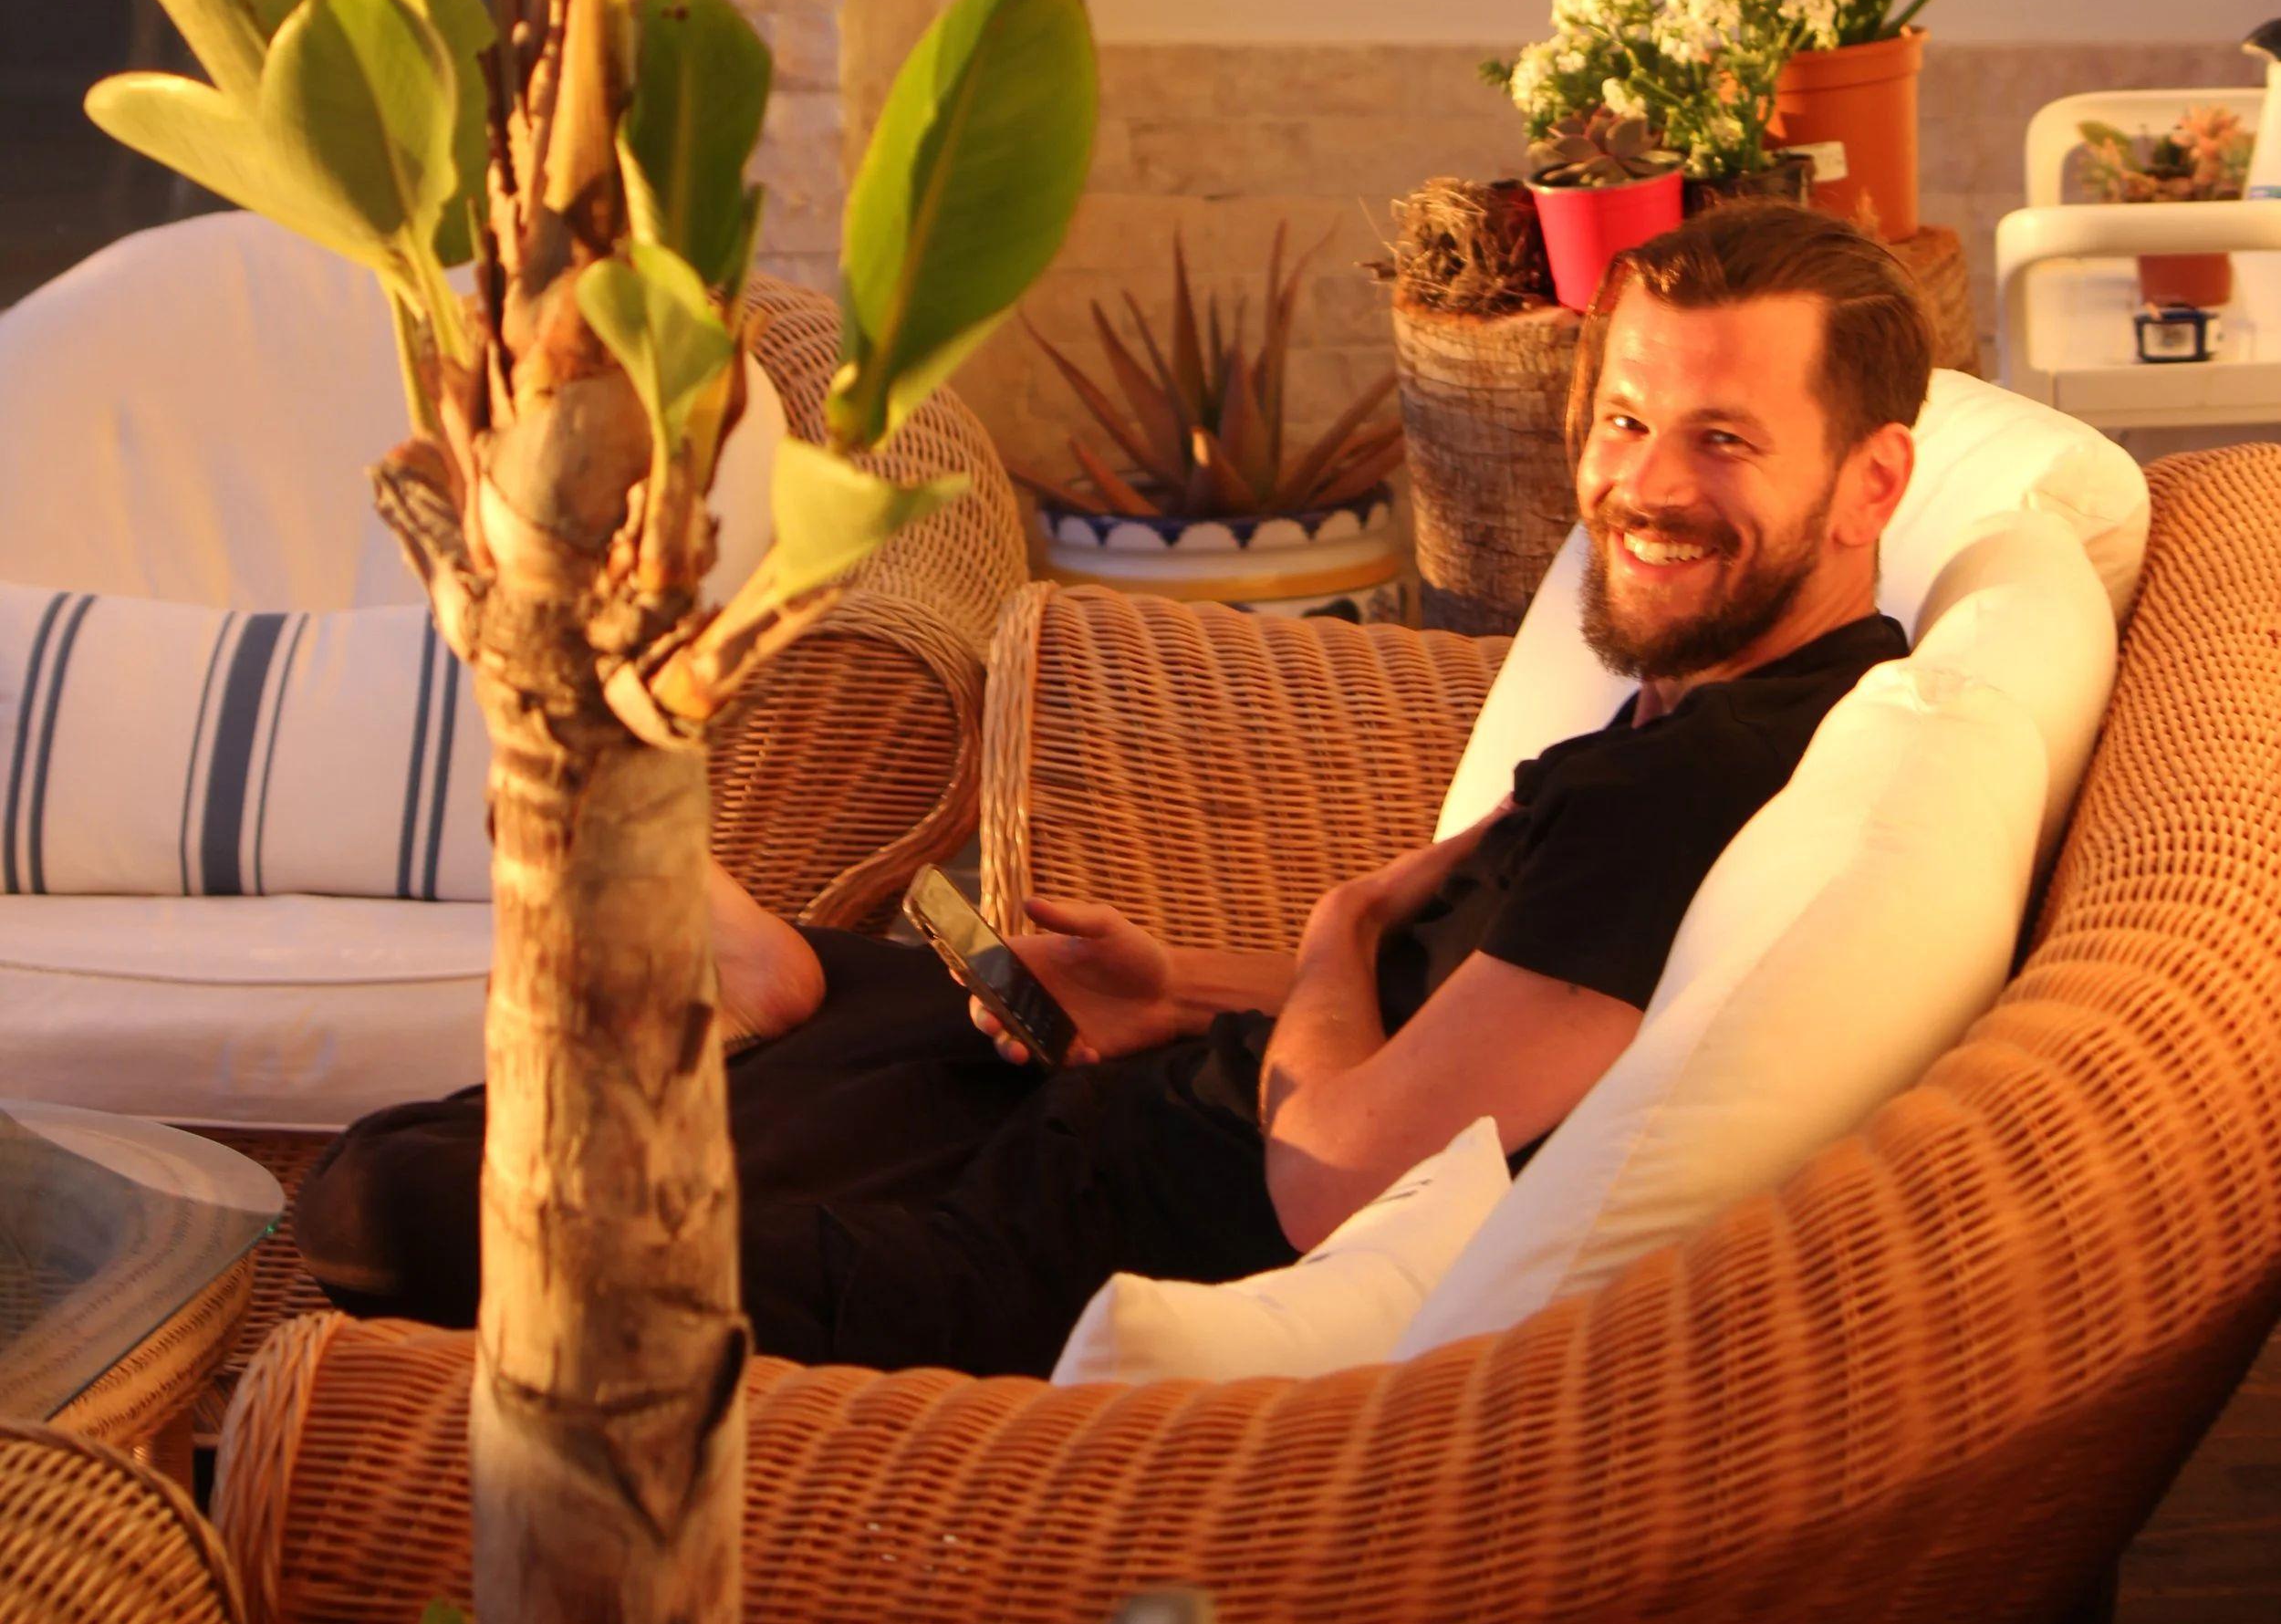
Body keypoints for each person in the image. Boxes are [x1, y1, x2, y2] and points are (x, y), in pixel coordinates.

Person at [295, 202, 1933, 1373]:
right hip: (1131, 1097)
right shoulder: (1742, 710)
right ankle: (792, 980)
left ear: (1875, 478)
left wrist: (1333, 930)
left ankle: (775, 992)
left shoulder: (1698, 780)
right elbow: (1473, 1021)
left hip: (1045, 1251)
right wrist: (1181, 986)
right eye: (1629, 418)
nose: (1640, 486)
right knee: (585, 1107)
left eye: (1723, 441)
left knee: (392, 1193)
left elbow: (1340, 1174)